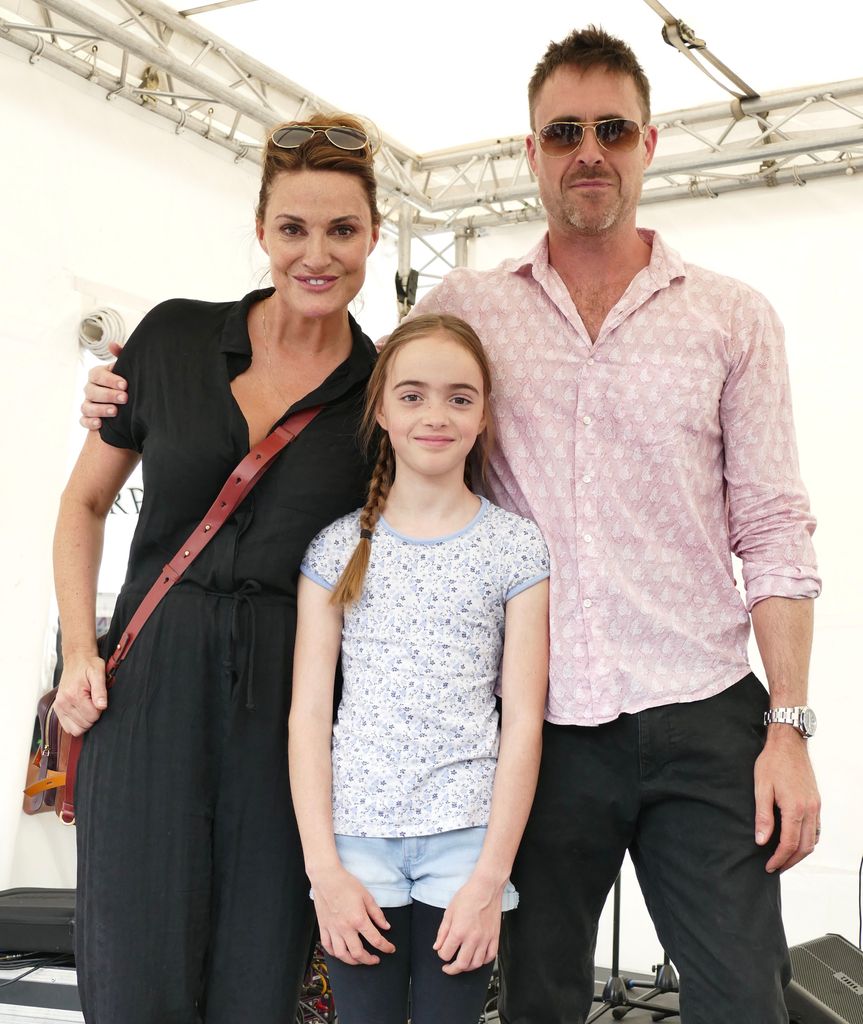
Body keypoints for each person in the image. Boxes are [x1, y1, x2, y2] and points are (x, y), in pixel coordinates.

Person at [80, 26, 823, 1024]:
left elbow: (774, 523)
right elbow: (379, 406)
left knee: (744, 998)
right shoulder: (470, 306)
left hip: (698, 710)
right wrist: (120, 393)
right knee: (537, 1003)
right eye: (562, 130)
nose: (587, 150)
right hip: (548, 729)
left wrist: (787, 724)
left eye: (610, 128)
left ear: (648, 142)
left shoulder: (732, 317)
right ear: (529, 151)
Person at [53, 113, 383, 1023]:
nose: (316, 254)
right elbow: (82, 505)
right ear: (262, 230)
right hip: (150, 683)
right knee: (131, 975)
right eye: (293, 228)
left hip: (292, 700)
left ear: (374, 236)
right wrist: (82, 651)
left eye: (342, 230)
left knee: (257, 980)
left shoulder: (384, 390)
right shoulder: (170, 340)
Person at [288, 313, 550, 1024]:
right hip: (353, 847)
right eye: (412, 395)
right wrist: (324, 873)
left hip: (467, 848)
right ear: (381, 409)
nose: (435, 414)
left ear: (483, 415)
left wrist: (489, 878)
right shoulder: (335, 547)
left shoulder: (516, 549)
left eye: (459, 397)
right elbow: (308, 715)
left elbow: (524, 718)